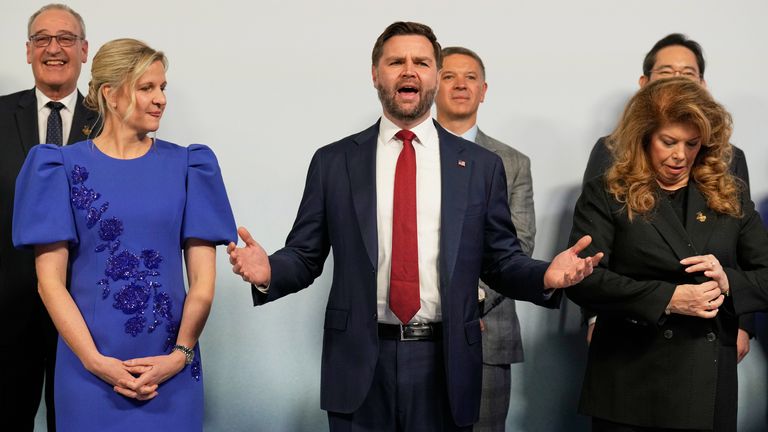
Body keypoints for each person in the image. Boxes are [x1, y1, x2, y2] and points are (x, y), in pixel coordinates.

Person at [228, 21, 602, 432]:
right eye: (396, 62)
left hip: (446, 363)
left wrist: (544, 275)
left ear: (435, 76)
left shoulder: (480, 166)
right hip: (359, 362)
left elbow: (500, 260)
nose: (409, 70)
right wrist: (268, 272)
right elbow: (304, 254)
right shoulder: (334, 162)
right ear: (375, 74)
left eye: (421, 62)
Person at [12, 38, 236, 431]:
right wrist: (94, 362)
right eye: (147, 88)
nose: (161, 99)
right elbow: (49, 284)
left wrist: (179, 356)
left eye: (162, 87)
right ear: (109, 95)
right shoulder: (57, 166)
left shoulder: (190, 165)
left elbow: (202, 283)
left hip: (173, 370)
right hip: (87, 371)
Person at [567, 77, 768, 431]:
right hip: (629, 381)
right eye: (668, 142)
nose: (680, 155)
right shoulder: (607, 193)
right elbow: (585, 280)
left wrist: (728, 282)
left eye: (692, 144)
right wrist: (670, 298)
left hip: (705, 385)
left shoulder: (730, 195)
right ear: (643, 138)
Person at [581, 33, 754, 361]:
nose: (676, 81)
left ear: (702, 85)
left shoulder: (730, 156)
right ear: (644, 82)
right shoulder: (610, 149)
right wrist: (594, 316)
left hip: (708, 329)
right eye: (666, 73)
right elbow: (592, 249)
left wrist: (743, 322)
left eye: (687, 74)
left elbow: (741, 249)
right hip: (630, 325)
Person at [0, 4, 95, 430]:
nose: (53, 49)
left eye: (65, 39)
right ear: (27, 51)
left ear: (84, 50)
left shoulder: (110, 120)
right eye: (41, 39)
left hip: (86, 313)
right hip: (5, 310)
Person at [435, 46, 533, 432]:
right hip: (413, 335)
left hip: (488, 332)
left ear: (484, 89)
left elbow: (519, 243)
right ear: (432, 86)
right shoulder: (406, 154)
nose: (460, 84)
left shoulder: (513, 162)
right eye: (449, 76)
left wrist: (468, 300)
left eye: (470, 77)